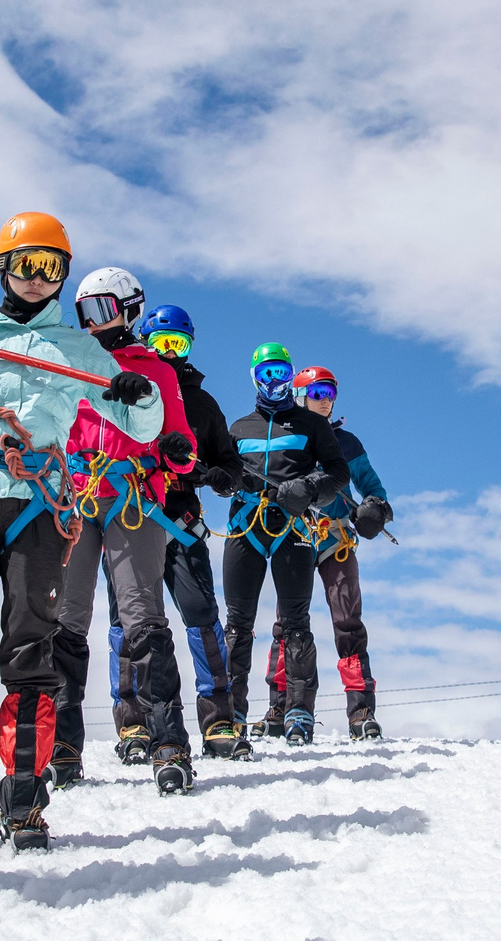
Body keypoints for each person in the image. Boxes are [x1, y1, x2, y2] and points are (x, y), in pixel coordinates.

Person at [0, 215, 161, 851]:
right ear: (2, 268)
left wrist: (139, 392)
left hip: (39, 505)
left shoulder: (80, 352)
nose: (36, 279)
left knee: (30, 648)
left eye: (51, 267)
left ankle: (24, 793)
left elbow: (140, 425)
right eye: (25, 264)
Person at [49, 268, 200, 790]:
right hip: (76, 496)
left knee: (142, 617)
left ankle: (168, 744)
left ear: (131, 308)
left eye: (104, 309)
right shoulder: (71, 365)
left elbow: (179, 440)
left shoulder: (155, 370)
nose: (92, 322)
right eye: (84, 311)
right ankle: (61, 746)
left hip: (132, 497)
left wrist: (179, 456)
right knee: (64, 619)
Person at [128, 303, 253, 761]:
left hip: (181, 515)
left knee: (200, 610)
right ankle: (135, 721)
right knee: (131, 618)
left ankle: (218, 716)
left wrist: (222, 476)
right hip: (132, 509)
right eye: (160, 342)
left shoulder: (201, 403)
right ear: (143, 339)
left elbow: (230, 462)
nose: (168, 352)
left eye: (178, 344)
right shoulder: (126, 387)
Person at [223, 343, 356, 745]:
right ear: (254, 378)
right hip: (245, 527)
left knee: (296, 622)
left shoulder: (311, 426)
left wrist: (311, 487)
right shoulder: (238, 428)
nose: (274, 381)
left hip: (294, 529)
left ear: (290, 374)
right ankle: (232, 714)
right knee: (237, 625)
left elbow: (338, 472)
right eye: (266, 373)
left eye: (281, 372)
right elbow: (220, 472)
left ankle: (298, 712)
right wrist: (223, 479)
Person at [262, 366, 394, 741]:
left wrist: (375, 509)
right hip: (294, 538)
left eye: (330, 393)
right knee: (286, 625)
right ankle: (282, 706)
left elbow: (374, 487)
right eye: (317, 392)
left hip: (335, 541)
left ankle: (360, 710)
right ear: (299, 395)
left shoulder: (346, 443)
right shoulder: (287, 436)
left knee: (348, 624)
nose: (324, 400)